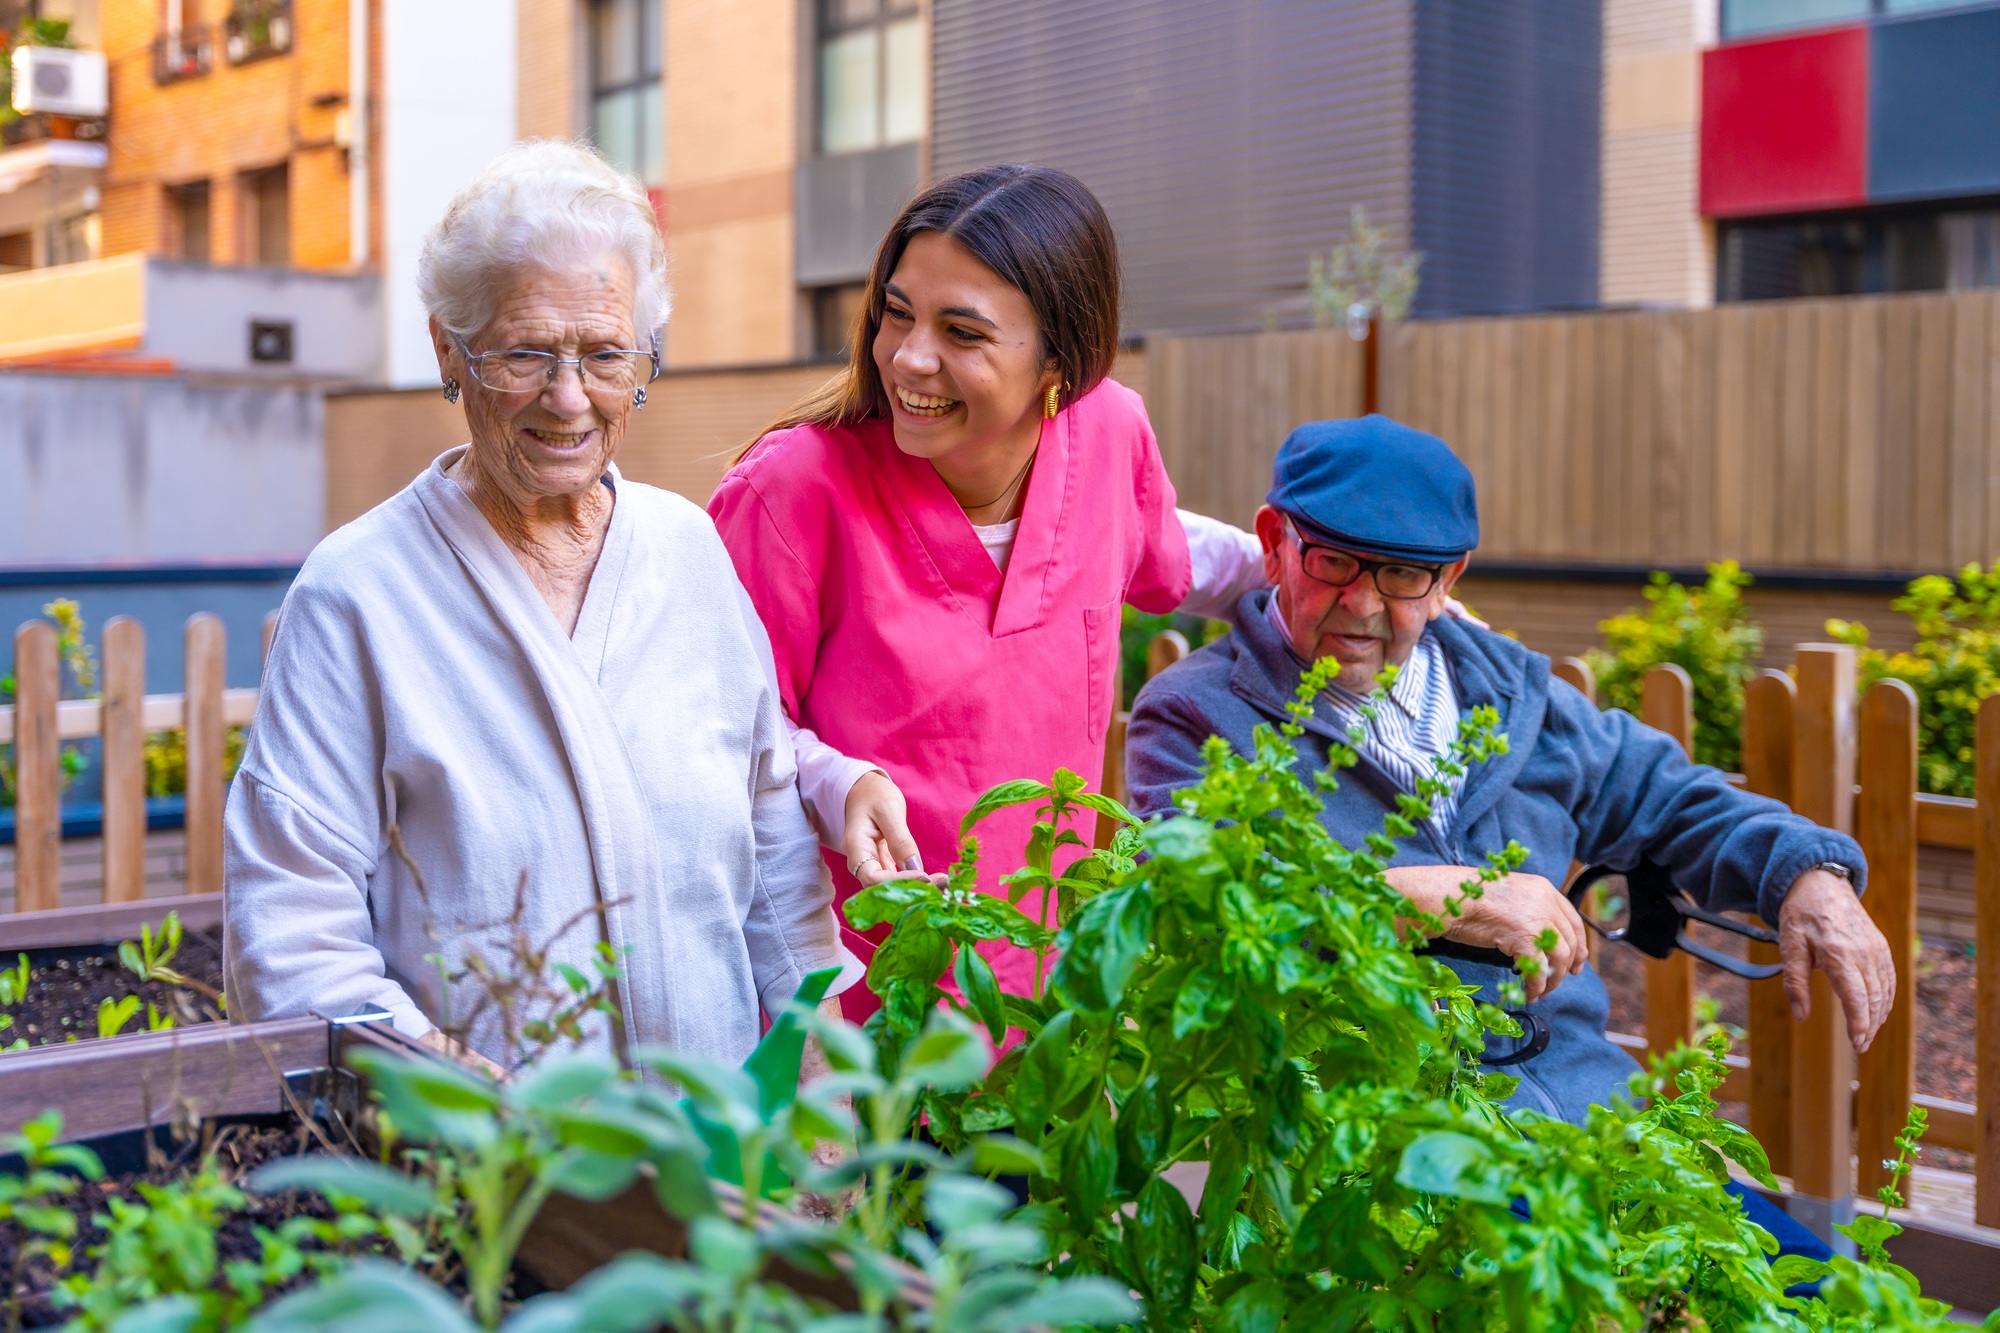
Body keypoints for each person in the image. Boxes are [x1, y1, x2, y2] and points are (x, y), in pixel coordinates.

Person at [223, 141, 860, 1070]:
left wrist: (822, 1086)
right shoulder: (358, 594)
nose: (569, 399)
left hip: (716, 1176)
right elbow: (292, 926)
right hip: (483, 1180)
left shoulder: (688, 556)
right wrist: (452, 1104)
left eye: (605, 354)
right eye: (526, 352)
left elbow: (771, 844)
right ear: (451, 348)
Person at [1125, 415, 1897, 1126]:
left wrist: (1806, 875)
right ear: (1273, 542)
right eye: (1332, 561)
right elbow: (1207, 915)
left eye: (1402, 575)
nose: (1360, 604)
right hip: (1377, 1147)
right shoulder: (1196, 715)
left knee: (1809, 1280)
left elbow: (1669, 796)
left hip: (1590, 1115)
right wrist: (1437, 898)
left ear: (1450, 578)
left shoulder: (1508, 691)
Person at [707, 166, 1269, 1004]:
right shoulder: (791, 491)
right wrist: (839, 779)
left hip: (1047, 1003)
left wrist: (1307, 576)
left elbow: (1164, 550)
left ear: (1062, 364)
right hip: (850, 1012)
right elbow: (717, 728)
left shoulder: (1109, 431)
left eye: (962, 332)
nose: (908, 357)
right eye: (896, 312)